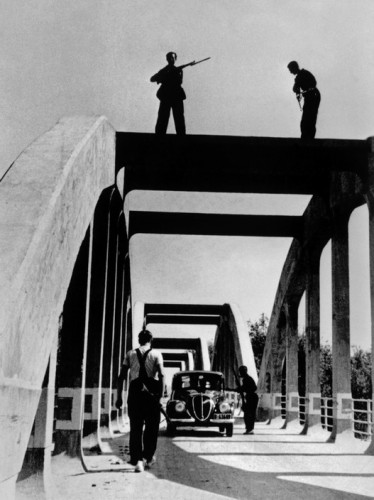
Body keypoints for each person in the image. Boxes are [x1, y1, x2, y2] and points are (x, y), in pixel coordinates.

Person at [116, 329, 165, 473]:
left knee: (135, 427)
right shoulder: (157, 354)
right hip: (151, 393)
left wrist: (119, 397)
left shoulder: (130, 354)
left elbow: (122, 376)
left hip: (135, 392)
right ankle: (147, 457)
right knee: (152, 427)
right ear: (151, 340)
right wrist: (160, 397)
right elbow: (161, 374)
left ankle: (137, 459)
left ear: (139, 340)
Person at [150, 52, 186, 135]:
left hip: (177, 95)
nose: (171, 60)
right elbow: (152, 79)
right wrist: (165, 74)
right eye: (170, 58)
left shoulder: (178, 70)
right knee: (163, 118)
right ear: (167, 59)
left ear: (175, 59)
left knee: (179, 118)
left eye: (173, 58)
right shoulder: (164, 70)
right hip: (166, 96)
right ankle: (159, 136)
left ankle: (182, 137)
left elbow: (179, 82)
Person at [287, 61, 321, 139]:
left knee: (308, 118)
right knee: (310, 117)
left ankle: (307, 137)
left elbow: (295, 88)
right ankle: (308, 136)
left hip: (312, 96)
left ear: (294, 68)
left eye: (290, 69)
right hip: (313, 95)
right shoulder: (303, 74)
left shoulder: (300, 76)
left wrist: (299, 91)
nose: (290, 72)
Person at [237, 365, 258, 434]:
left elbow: (253, 388)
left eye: (241, 372)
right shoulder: (247, 378)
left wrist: (241, 389)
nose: (240, 373)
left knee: (249, 414)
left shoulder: (247, 379)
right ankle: (249, 428)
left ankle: (250, 429)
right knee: (249, 413)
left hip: (251, 397)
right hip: (251, 397)